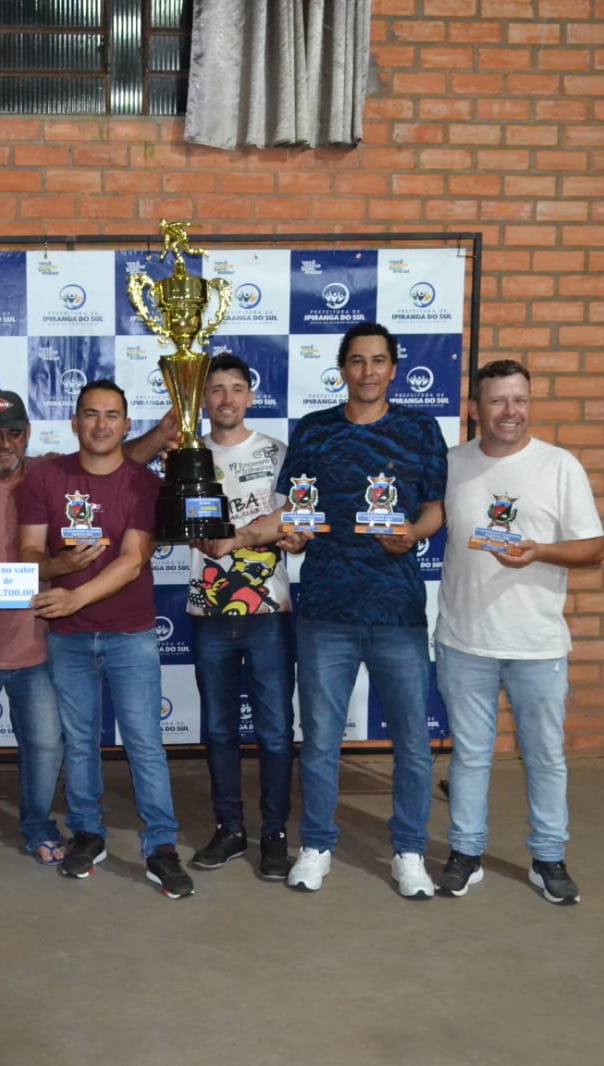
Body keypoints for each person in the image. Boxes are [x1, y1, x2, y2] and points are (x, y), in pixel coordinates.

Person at [210, 322, 446, 898]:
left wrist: (413, 533)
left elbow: (436, 509)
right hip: (325, 612)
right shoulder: (314, 431)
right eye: (357, 361)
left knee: (413, 745)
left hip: (397, 613)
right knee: (318, 742)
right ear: (342, 370)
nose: (368, 371)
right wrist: (252, 538)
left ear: (393, 368)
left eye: (378, 360)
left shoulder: (420, 429)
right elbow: (294, 514)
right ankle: (316, 845)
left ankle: (410, 851)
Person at [0, 392, 179, 883]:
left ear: (28, 434)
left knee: (94, 745)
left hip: (59, 638)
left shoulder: (71, 475)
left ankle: (150, 844)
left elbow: (117, 485)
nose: (5, 443)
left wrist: (162, 434)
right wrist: (58, 568)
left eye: (14, 432)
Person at [433, 359, 604, 905]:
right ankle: (465, 853)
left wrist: (540, 552)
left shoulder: (559, 466)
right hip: (464, 639)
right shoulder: (451, 463)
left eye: (520, 400)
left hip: (537, 644)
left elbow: (594, 548)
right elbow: (427, 522)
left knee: (545, 756)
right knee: (470, 755)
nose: (511, 411)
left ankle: (548, 858)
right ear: (475, 409)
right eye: (498, 401)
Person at [17, 380, 195, 899]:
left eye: (112, 415)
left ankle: (161, 846)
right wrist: (58, 567)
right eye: (91, 414)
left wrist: (76, 596)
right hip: (68, 638)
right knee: (80, 742)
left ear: (126, 424)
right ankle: (88, 833)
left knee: (144, 742)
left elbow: (134, 559)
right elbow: (28, 555)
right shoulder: (46, 476)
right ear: (74, 422)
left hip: (130, 634)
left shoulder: (145, 483)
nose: (101, 424)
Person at [185, 353, 298, 881]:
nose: (226, 398)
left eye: (236, 388)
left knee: (275, 732)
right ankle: (229, 829)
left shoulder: (277, 452)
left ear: (251, 396)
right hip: (207, 610)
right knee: (218, 730)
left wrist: (268, 534)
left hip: (268, 610)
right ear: (203, 399)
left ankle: (275, 835)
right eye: (216, 390)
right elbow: (174, 519)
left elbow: (294, 516)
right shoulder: (187, 454)